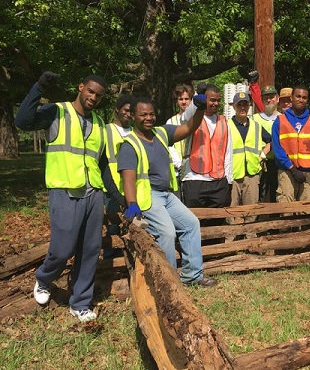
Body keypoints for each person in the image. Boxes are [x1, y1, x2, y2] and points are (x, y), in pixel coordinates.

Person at [15, 72, 125, 322]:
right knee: (62, 248)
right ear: (81, 87)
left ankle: (81, 302)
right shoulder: (58, 112)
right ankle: (43, 279)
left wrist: (117, 197)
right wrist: (39, 86)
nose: (93, 97)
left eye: (98, 95)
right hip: (64, 190)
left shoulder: (98, 122)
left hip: (93, 193)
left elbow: (104, 164)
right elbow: (22, 121)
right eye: (90, 91)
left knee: (90, 250)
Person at [117, 96, 217, 287]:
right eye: (143, 115)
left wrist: (199, 109)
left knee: (191, 223)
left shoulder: (161, 133)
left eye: (151, 114)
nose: (148, 118)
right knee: (167, 232)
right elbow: (128, 178)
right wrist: (131, 204)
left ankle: (192, 276)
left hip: (167, 194)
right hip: (148, 195)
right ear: (133, 117)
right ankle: (169, 282)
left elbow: (188, 128)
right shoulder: (130, 144)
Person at [181, 84, 233, 225]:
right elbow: (186, 116)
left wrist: (228, 180)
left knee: (216, 222)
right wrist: (197, 99)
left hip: (218, 181)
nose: (215, 103)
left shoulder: (224, 122)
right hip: (195, 179)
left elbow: (228, 152)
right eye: (212, 100)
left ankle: (214, 247)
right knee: (194, 221)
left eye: (218, 100)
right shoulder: (193, 118)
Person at [272, 85, 310, 203]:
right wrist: (292, 169)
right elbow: (277, 149)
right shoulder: (280, 120)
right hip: (287, 171)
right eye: (297, 96)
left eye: (304, 97)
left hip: (307, 172)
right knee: (286, 207)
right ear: (291, 98)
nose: (301, 100)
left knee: (307, 210)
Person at [228, 92, 271, 222]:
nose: (242, 108)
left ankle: (250, 240)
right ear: (234, 107)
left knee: (251, 212)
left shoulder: (256, 126)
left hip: (252, 174)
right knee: (231, 213)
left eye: (245, 105)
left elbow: (271, 140)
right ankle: (231, 240)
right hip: (233, 175)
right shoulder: (227, 125)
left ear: (249, 106)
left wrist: (263, 154)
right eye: (239, 105)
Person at [103, 94, 132, 258]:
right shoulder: (106, 130)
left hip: (131, 186)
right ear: (117, 110)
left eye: (131, 111)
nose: (128, 114)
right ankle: (110, 259)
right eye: (125, 110)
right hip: (112, 186)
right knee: (113, 225)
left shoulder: (135, 131)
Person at [252, 85, 281, 202]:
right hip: (260, 165)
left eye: (271, 97)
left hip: (279, 163)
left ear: (277, 98)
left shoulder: (283, 118)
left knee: (277, 195)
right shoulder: (254, 119)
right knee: (259, 196)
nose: (269, 100)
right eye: (265, 98)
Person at [166, 84, 193, 198]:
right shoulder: (171, 121)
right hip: (176, 169)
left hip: (192, 167)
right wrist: (178, 163)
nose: (183, 102)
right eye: (180, 99)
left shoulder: (195, 120)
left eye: (186, 99)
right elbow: (168, 146)